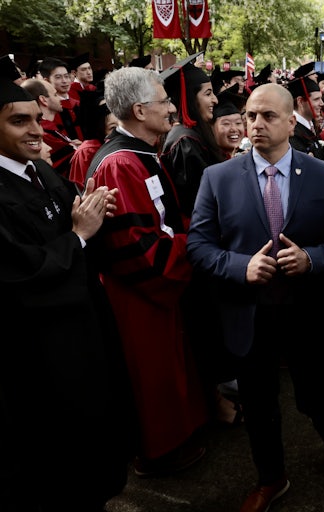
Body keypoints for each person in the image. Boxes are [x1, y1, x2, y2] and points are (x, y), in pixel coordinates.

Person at [187, 83, 324, 512]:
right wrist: (242, 267)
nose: (255, 124)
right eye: (251, 116)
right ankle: (271, 478)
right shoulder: (216, 178)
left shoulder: (323, 174)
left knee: (317, 389)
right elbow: (198, 246)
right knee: (258, 404)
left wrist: (312, 259)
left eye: (268, 116)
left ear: (292, 122)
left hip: (306, 311)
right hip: (248, 313)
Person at [0, 78, 131, 511]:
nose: (37, 130)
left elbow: (76, 217)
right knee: (54, 458)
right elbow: (20, 272)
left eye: (38, 118)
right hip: (37, 352)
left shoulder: (39, 170)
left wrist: (93, 207)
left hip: (80, 331)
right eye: (20, 121)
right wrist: (78, 235)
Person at [86, 66, 209, 478]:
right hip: (136, 294)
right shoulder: (119, 164)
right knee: (150, 373)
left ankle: (178, 435)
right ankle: (159, 451)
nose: (172, 108)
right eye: (164, 100)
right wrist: (194, 247)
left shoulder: (140, 155)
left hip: (151, 286)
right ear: (140, 110)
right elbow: (137, 248)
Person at [160, 53, 223, 219]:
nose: (215, 100)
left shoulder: (185, 136)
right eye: (208, 93)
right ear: (189, 97)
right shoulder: (185, 141)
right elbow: (200, 200)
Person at [20, 78, 77, 178]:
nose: (59, 99)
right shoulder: (43, 134)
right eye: (55, 95)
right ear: (43, 100)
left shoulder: (50, 128)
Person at [69, 88, 118, 190]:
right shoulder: (87, 152)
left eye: (121, 126)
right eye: (113, 128)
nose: (119, 132)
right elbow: (81, 189)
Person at [38, 57, 82, 142]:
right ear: (46, 81)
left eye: (66, 76)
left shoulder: (79, 104)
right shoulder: (47, 110)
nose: (64, 81)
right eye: (58, 77)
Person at [286, 75, 324, 155]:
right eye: (316, 99)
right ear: (300, 101)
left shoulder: (311, 126)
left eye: (321, 99)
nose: (322, 103)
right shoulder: (292, 133)